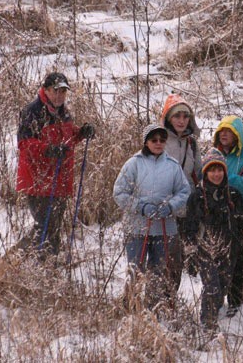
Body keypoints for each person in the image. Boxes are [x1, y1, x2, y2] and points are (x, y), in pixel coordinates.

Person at [15, 72, 95, 256]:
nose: (60, 95)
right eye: (56, 91)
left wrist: (81, 133)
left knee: (54, 227)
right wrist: (48, 149)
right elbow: (24, 144)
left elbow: (65, 141)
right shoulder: (33, 111)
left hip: (60, 179)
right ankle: (18, 259)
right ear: (46, 90)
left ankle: (48, 265)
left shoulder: (63, 112)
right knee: (45, 225)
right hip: (38, 180)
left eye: (63, 92)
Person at [113, 123, 190, 306]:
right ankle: (130, 305)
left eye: (162, 140)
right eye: (154, 140)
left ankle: (153, 310)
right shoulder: (133, 164)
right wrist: (140, 207)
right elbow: (119, 192)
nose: (158, 143)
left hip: (165, 228)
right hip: (136, 227)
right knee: (135, 270)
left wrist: (170, 206)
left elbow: (184, 191)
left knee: (159, 272)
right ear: (146, 142)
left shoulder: (173, 166)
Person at [182, 149, 243, 331]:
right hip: (205, 250)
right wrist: (191, 251)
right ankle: (207, 325)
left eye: (220, 170)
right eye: (212, 170)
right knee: (211, 287)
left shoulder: (233, 195)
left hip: (229, 249)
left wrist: (240, 242)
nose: (216, 174)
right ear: (205, 172)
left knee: (223, 286)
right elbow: (189, 227)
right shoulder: (197, 197)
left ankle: (215, 312)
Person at [212, 115, 243, 317]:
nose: (224, 134)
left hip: (241, 215)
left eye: (229, 131)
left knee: (239, 259)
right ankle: (215, 298)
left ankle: (235, 300)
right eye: (221, 131)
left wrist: (228, 179)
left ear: (237, 135)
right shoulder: (213, 154)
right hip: (217, 214)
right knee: (218, 257)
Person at [159, 94, 202, 293]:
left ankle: (170, 299)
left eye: (185, 116)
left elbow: (199, 173)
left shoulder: (192, 144)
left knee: (177, 259)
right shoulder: (158, 140)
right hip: (162, 208)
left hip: (185, 209)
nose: (181, 121)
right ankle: (155, 298)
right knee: (160, 257)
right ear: (168, 117)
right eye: (177, 116)